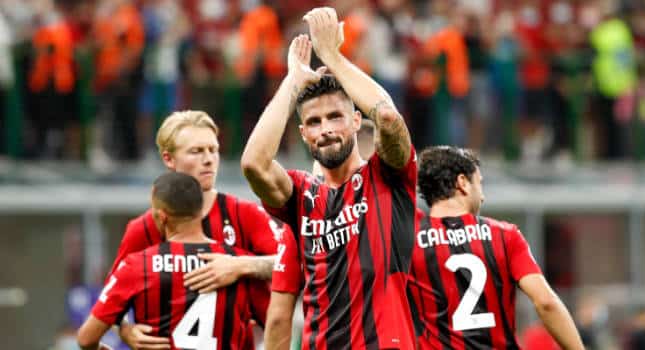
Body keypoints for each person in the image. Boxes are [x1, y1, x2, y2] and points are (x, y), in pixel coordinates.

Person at [241, 7, 417, 349]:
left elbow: (387, 118)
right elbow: (254, 164)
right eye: (315, 123)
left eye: (335, 117)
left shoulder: (385, 178)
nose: (325, 131)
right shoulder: (302, 198)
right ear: (304, 133)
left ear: (355, 120)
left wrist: (333, 57)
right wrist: (293, 82)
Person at [109, 110, 283, 348]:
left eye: (213, 150)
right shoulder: (144, 228)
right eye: (196, 151)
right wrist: (125, 330)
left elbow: (296, 264)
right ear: (169, 159)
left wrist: (241, 265)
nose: (209, 159)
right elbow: (111, 298)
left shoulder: (245, 214)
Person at [408, 146, 584, 349]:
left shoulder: (409, 243)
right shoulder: (504, 235)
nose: (482, 197)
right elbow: (546, 303)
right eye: (479, 184)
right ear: (463, 183)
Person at [77, 172, 262, 349]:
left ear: (161, 216)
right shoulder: (240, 265)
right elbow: (276, 318)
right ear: (200, 210)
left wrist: (120, 333)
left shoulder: (137, 265)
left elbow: (86, 338)